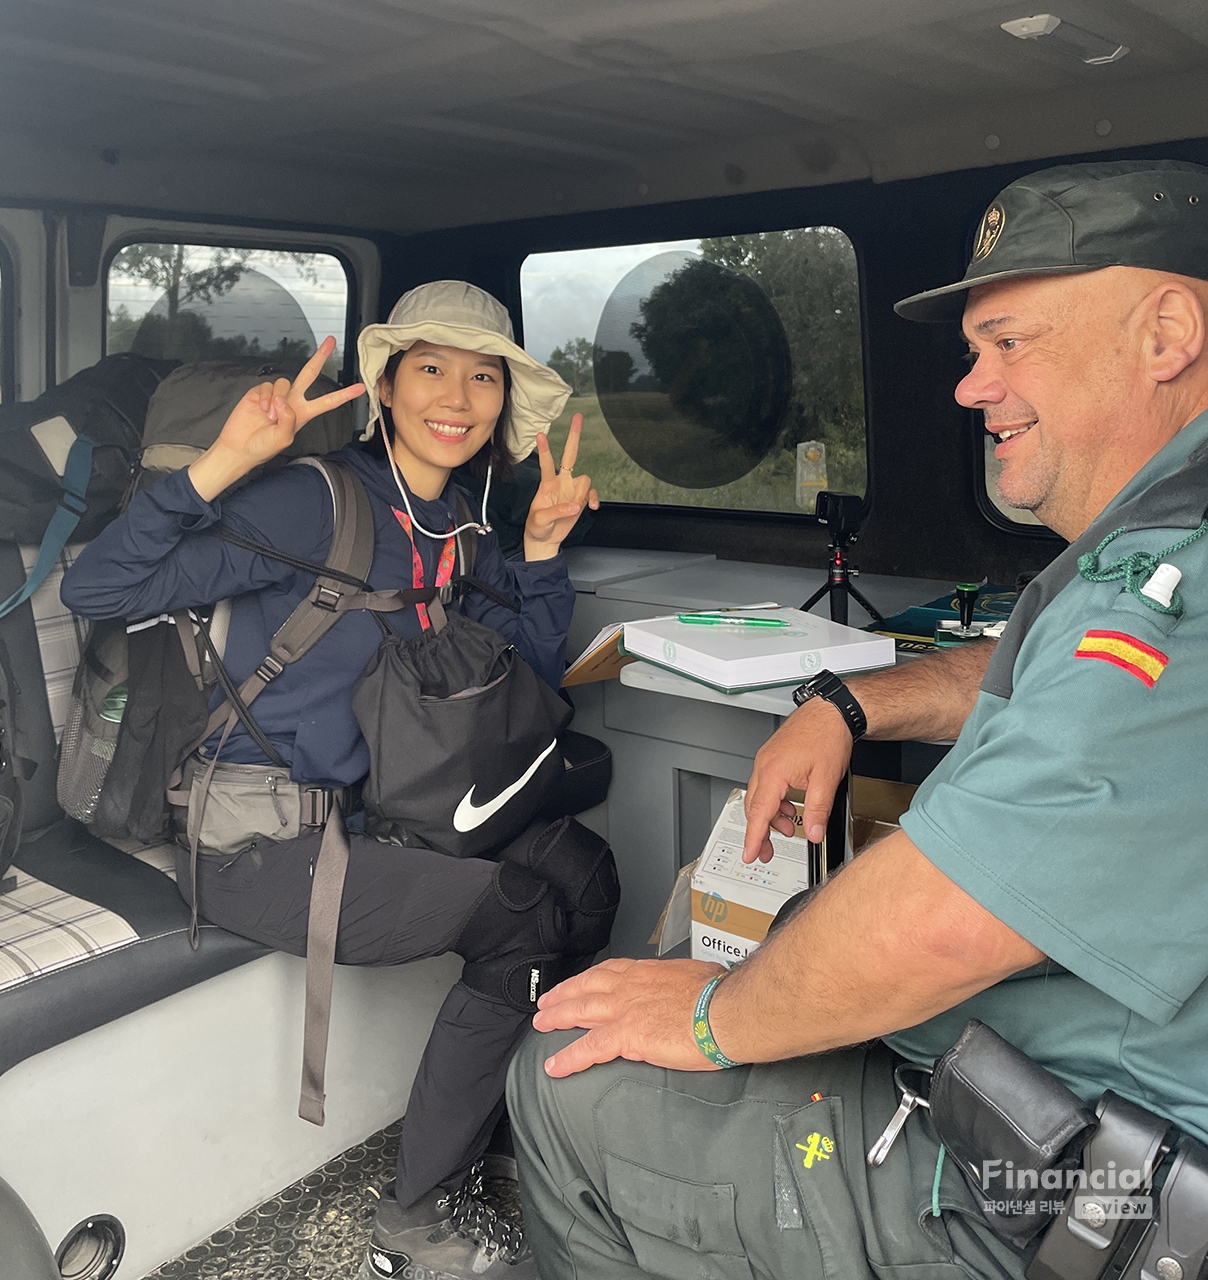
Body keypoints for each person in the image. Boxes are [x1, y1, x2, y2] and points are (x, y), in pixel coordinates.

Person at [507, 159, 1208, 1280]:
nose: (968, 388)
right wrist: (848, 701)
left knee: (561, 1076)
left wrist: (712, 1014)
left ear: (1165, 328)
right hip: (1050, 1098)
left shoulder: (1173, 582)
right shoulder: (1153, 550)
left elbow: (940, 927)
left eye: (1007, 342)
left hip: (1056, 1187)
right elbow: (1037, 670)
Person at [62, 281, 620, 1280]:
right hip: (254, 841)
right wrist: (222, 464)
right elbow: (97, 586)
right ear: (388, 384)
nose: (457, 394)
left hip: (379, 813)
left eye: (482, 373)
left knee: (582, 868)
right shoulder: (310, 499)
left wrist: (538, 550)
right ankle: (413, 1222)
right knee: (526, 911)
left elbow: (525, 683)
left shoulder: (454, 525)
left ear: (501, 401)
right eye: (432, 367)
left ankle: (509, 1120)